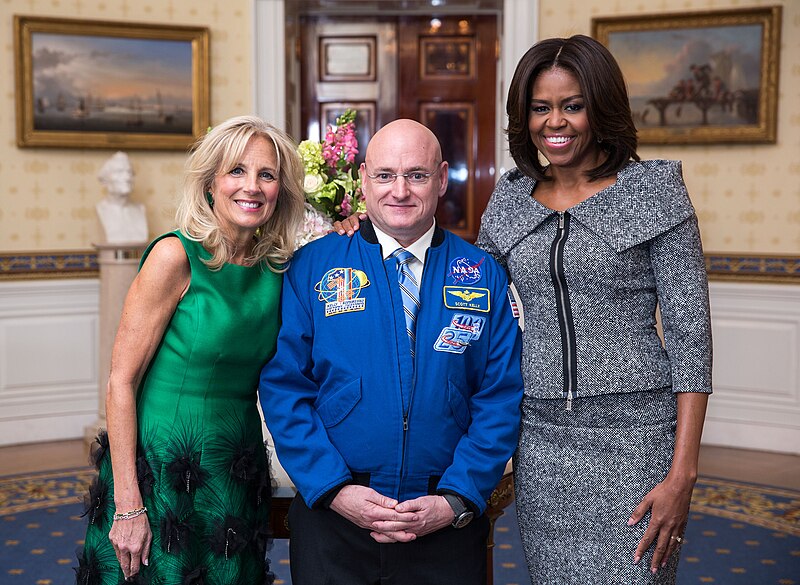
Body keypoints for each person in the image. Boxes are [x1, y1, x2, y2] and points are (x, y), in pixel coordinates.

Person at [336, 35, 712, 584]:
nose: (554, 122)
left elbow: (691, 339)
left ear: (600, 107)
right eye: (540, 107)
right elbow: (462, 291)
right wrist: (362, 232)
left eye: (572, 105)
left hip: (634, 438)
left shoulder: (654, 194)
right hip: (538, 440)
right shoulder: (510, 200)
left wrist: (683, 474)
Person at [259, 119, 523, 585]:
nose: (399, 191)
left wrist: (455, 498)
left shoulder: (482, 273)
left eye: (416, 175)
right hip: (334, 517)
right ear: (363, 179)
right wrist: (335, 489)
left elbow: (499, 397)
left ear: (441, 178)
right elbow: (284, 388)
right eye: (384, 175)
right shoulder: (313, 267)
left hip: (443, 520)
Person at [77, 115, 305, 584]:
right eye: (237, 171)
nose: (252, 186)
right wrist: (127, 504)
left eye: (267, 174)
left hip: (234, 463)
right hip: (161, 468)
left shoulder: (281, 270)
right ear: (210, 184)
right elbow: (121, 382)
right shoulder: (174, 257)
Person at [96, 151, 149, 244]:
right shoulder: (101, 209)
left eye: (129, 172)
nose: (127, 177)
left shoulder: (140, 209)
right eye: (119, 172)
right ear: (105, 180)